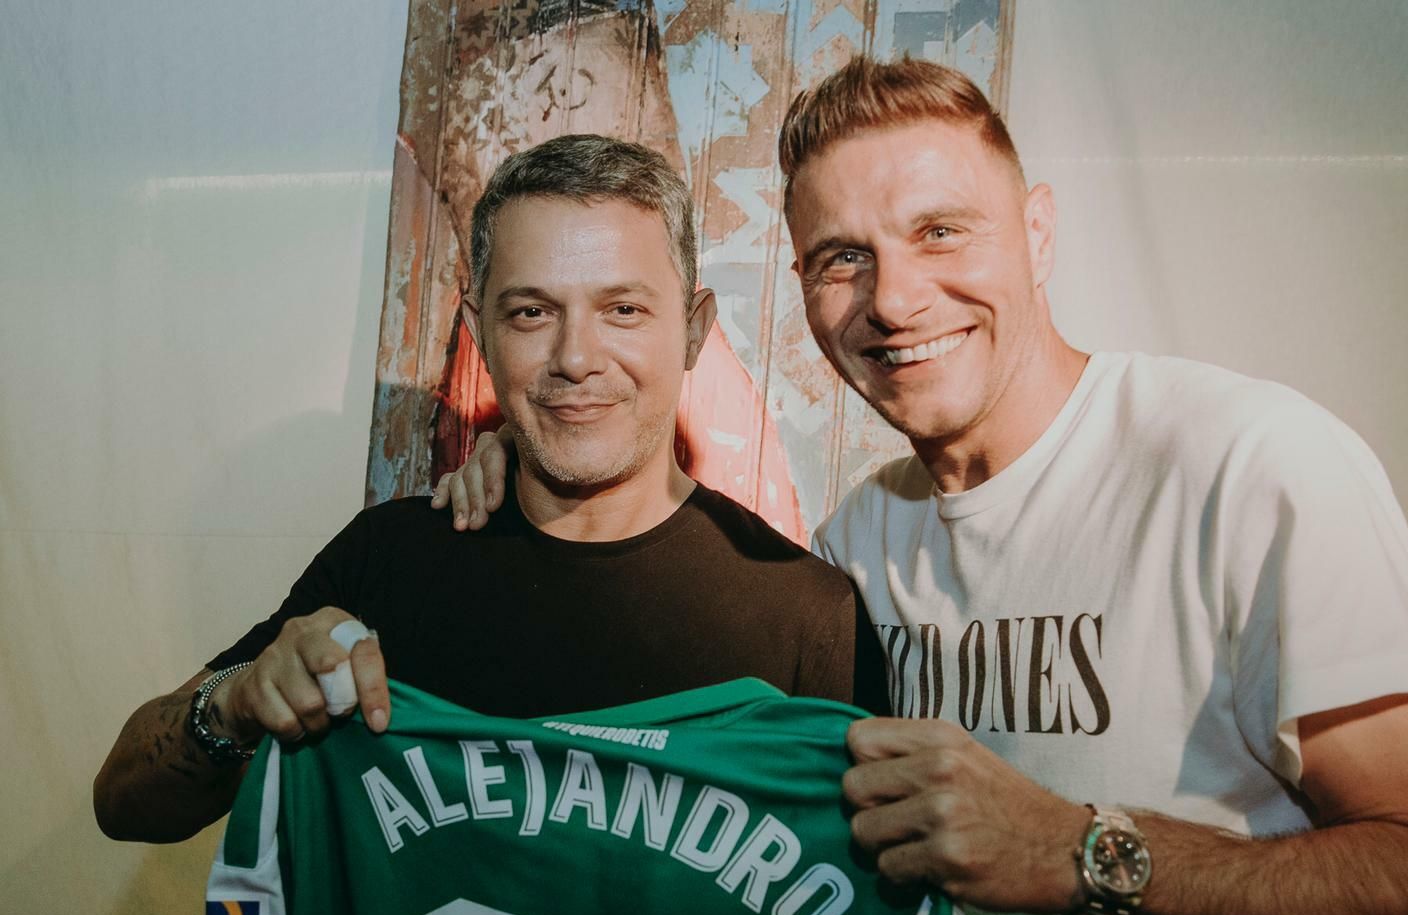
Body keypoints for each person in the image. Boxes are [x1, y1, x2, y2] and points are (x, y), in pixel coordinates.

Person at [441, 56, 1408, 915]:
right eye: (843, 258)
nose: (894, 298)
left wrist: (1076, 850)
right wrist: (526, 465)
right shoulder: (858, 542)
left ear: (1038, 232)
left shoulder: (1247, 465)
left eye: (941, 232)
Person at [94, 134, 885, 846]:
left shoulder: (810, 617)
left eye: (623, 309)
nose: (576, 357)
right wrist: (233, 704)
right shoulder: (389, 558)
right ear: (478, 329)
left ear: (692, 329)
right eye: (533, 312)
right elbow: (126, 803)